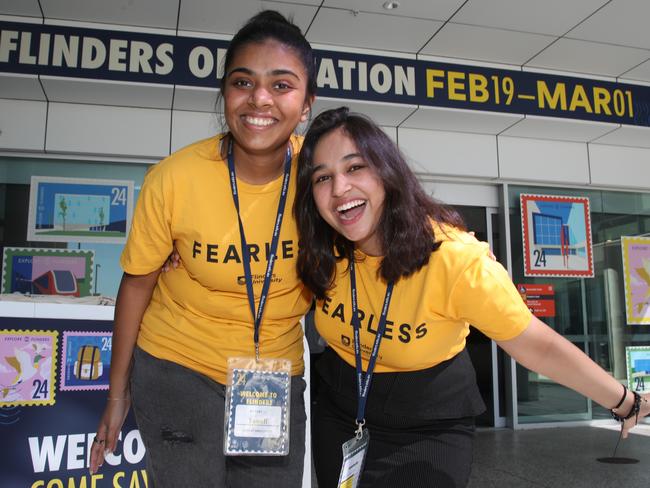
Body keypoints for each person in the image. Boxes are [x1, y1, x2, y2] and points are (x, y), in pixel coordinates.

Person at [294, 107, 650, 488]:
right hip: (340, 413)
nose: (339, 189)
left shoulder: (456, 259)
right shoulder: (322, 247)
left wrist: (624, 400)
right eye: (322, 177)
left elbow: (538, 347)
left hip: (426, 424)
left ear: (386, 171)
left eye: (354, 168)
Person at [89, 11, 316, 487]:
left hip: (272, 379)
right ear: (224, 92)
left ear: (307, 103)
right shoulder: (174, 179)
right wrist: (116, 394)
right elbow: (136, 285)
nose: (259, 99)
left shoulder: (323, 181)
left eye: (281, 85)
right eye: (242, 81)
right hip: (178, 367)